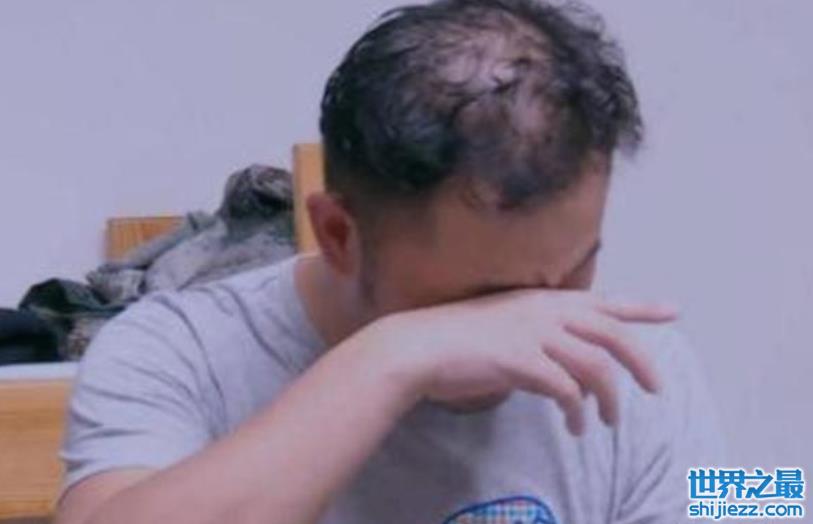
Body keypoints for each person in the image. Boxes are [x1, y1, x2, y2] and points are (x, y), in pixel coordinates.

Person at [55, 1, 725, 523]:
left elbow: (745, 497)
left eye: (578, 270)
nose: (541, 321)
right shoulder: (171, 351)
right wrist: (392, 359)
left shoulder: (637, 360)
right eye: (488, 299)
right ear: (337, 234)